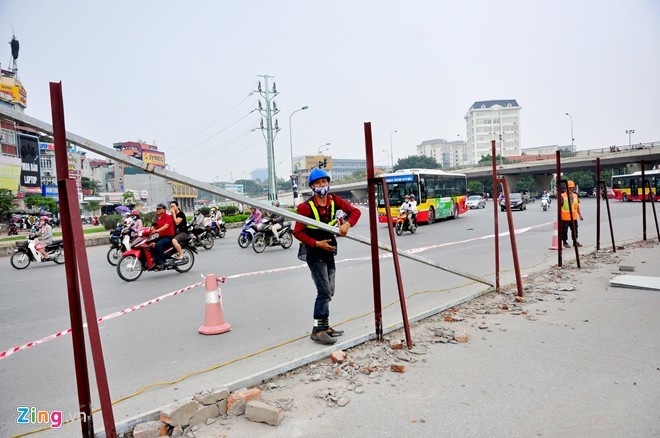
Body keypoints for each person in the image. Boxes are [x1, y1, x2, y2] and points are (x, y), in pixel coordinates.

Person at [293, 168, 361, 345]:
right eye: (318, 183)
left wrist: (347, 224)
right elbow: (297, 232)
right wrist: (316, 243)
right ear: (312, 186)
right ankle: (317, 330)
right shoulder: (305, 207)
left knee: (329, 291)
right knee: (323, 291)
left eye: (324, 182)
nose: (322, 185)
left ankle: (325, 326)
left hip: (329, 251)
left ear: (328, 184)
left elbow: (355, 212)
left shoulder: (334, 201)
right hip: (315, 253)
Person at [151, 203, 175, 268]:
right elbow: (155, 226)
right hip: (161, 237)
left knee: (158, 245)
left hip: (169, 237)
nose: (157, 210)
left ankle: (163, 263)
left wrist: (156, 230)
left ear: (164, 210)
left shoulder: (168, 217)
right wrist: (152, 229)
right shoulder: (159, 218)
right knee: (149, 244)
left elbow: (166, 226)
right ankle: (155, 261)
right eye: (157, 209)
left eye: (159, 208)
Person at [561, 181, 584, 248]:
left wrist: (580, 215)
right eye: (569, 188)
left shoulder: (575, 196)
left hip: (573, 217)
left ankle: (575, 242)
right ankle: (565, 242)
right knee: (564, 231)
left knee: (575, 230)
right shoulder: (562, 196)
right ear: (566, 188)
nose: (571, 189)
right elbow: (560, 207)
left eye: (572, 188)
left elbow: (577, 206)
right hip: (565, 218)